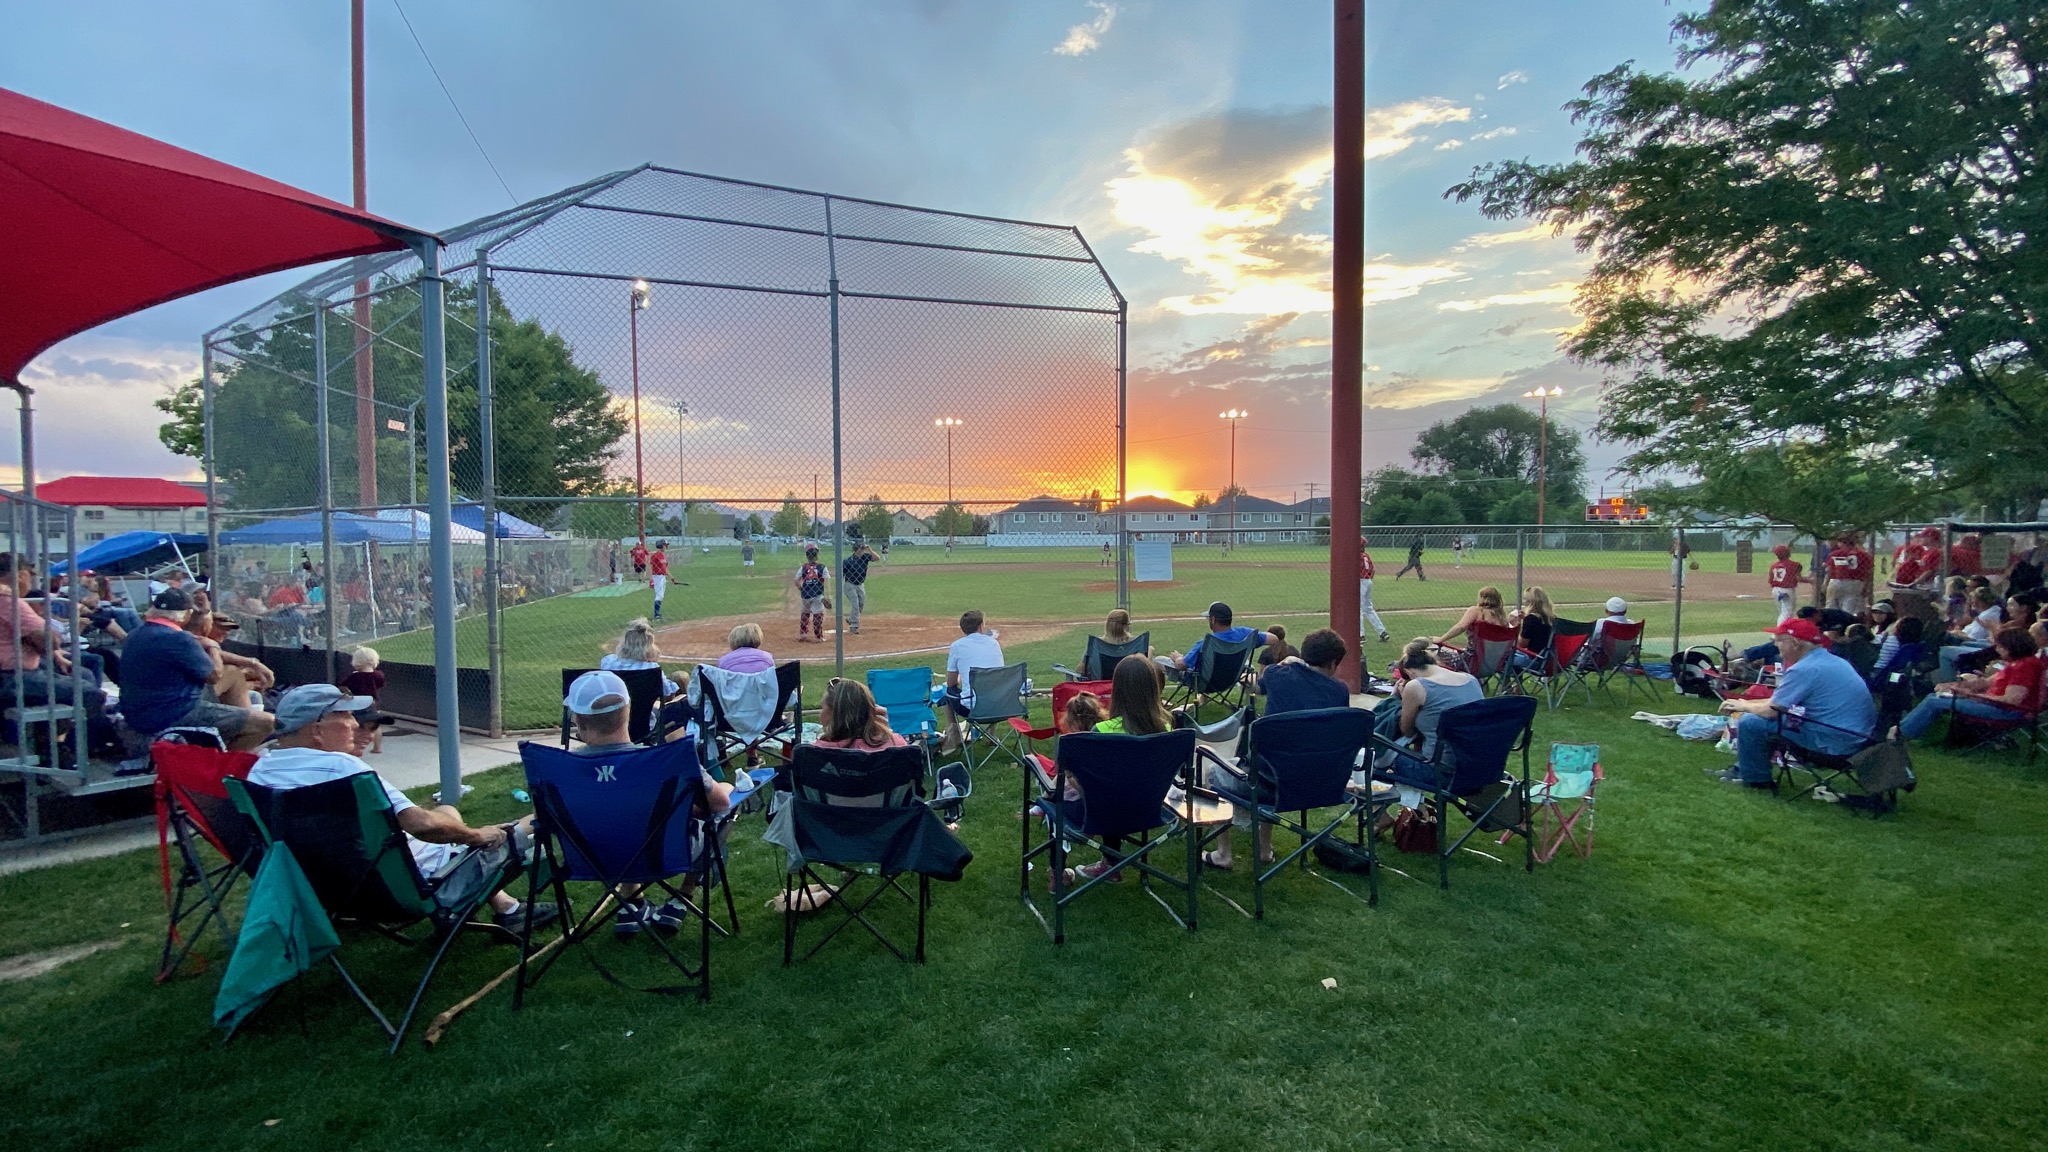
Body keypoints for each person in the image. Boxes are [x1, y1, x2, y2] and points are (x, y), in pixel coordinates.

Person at [248, 684, 554, 932]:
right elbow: (421, 825)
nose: (355, 725)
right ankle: (506, 907)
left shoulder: (259, 773)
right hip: (411, 889)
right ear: (316, 729)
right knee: (530, 821)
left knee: (447, 811)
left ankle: (506, 907)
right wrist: (475, 835)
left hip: (330, 890)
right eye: (345, 716)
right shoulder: (340, 768)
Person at [560, 670, 728, 937]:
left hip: (591, 859)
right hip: (664, 854)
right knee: (727, 805)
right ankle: (682, 896)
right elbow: (719, 804)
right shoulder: (668, 760)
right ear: (629, 710)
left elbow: (545, 818)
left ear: (578, 721)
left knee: (621, 817)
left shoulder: (560, 770)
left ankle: (632, 902)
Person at [1714, 618, 1878, 790]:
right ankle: (1744, 770)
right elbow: (1779, 702)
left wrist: (1743, 706)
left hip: (1833, 741)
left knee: (1751, 722)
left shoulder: (1805, 669)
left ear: (1796, 643)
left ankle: (1756, 781)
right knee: (1764, 718)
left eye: (1779, 640)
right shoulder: (1830, 661)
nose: (1775, 644)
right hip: (1854, 736)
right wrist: (1743, 702)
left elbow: (1772, 710)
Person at [119, 588, 274, 751]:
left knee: (233, 673)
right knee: (267, 722)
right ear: (186, 614)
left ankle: (239, 727)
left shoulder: (137, 634)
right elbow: (214, 675)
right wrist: (213, 646)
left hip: (140, 713)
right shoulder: (178, 638)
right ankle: (224, 763)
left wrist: (252, 663)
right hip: (173, 713)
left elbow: (198, 648)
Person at [1070, 654, 1174, 882]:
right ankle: (1111, 864)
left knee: (1100, 790)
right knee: (1117, 787)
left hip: (1104, 813)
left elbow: (1087, 783)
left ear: (1117, 689)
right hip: (1149, 809)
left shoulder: (1101, 731)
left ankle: (1108, 864)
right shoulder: (1165, 730)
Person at [1373, 638, 1485, 813]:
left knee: (1374, 761)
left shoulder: (1417, 687)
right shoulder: (1470, 680)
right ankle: (1416, 811)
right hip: (1479, 767)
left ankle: (1389, 816)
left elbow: (1406, 730)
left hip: (1441, 772)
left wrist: (1399, 697)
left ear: (1410, 671)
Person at [1895, 625, 2043, 742]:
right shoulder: (2015, 664)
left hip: (2007, 712)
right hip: (1993, 704)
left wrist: (1973, 696)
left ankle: (1900, 734)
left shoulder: (2025, 667)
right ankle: (1904, 730)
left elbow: (2012, 700)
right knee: (1938, 696)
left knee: (1934, 702)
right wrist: (1955, 685)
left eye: (2000, 647)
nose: (1997, 650)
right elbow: (1985, 683)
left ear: (2011, 647)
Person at [0, 553, 105, 717]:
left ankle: (58, 735)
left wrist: (55, 655)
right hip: (10, 678)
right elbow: (48, 642)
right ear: (21, 575)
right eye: (29, 575)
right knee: (89, 693)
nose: (31, 581)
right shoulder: (8, 601)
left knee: (83, 674)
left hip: (14, 670)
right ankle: (92, 740)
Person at [1160, 601, 1270, 676]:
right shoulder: (1245, 634)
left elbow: (1182, 665)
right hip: (1232, 679)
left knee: (1157, 661)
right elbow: (1274, 638)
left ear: (1213, 620)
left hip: (1205, 683)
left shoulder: (1206, 643)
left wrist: (1177, 658)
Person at [1258, 627, 1352, 715]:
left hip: (1279, 732)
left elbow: (1257, 684)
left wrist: (1288, 661)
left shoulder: (1274, 675)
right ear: (1332, 664)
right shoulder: (1340, 690)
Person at [943, 609, 1004, 722]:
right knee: (991, 686)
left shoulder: (957, 646)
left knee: (947, 693)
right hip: (1000, 706)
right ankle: (992, 734)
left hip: (972, 708)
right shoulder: (994, 643)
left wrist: (961, 678)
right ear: (980, 626)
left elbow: (951, 683)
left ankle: (954, 735)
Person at [814, 678, 908, 750]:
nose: (820, 714)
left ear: (834, 716)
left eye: (823, 708)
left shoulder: (815, 752)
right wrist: (886, 731)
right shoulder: (897, 744)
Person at [1937, 587, 2005, 681]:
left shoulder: (1989, 615)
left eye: (1972, 600)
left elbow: (1975, 637)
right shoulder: (1984, 613)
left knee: (1944, 649)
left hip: (1984, 646)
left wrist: (1959, 634)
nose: (1970, 602)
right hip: (1974, 641)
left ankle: (1948, 683)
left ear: (1979, 601)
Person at [602, 618, 681, 697]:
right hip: (645, 708)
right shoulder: (652, 668)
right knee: (680, 677)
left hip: (617, 706)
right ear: (648, 646)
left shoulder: (608, 661)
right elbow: (668, 693)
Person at [340, 647, 387, 754]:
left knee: (356, 725)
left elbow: (343, 686)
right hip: (373, 703)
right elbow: (381, 684)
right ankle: (377, 747)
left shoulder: (354, 676)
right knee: (374, 725)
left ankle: (352, 745)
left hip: (357, 704)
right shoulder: (378, 675)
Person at [1432, 586, 1509, 651]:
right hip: (1497, 662)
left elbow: (1460, 627)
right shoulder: (1501, 617)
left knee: (1433, 650)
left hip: (1472, 660)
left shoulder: (1476, 611)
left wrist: (1441, 639)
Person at [1824, 532, 1873, 615]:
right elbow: (1868, 573)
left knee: (1831, 607)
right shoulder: (1863, 555)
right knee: (1849, 609)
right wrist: (1865, 587)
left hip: (1836, 581)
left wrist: (1825, 584)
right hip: (1854, 582)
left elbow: (1829, 571)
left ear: (1842, 543)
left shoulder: (1835, 554)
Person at [1509, 586, 1556, 672]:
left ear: (1531, 602)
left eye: (1525, 600)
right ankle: (1516, 684)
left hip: (1535, 660)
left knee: (1505, 657)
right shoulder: (1552, 618)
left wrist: (1515, 626)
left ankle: (1508, 684)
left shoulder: (1531, 619)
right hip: (1552, 661)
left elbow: (1521, 644)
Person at [1357, 536, 1389, 643]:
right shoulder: (1366, 555)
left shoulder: (1356, 556)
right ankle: (1382, 632)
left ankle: (1360, 635)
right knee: (1368, 608)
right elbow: (1373, 571)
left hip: (1361, 581)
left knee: (1358, 609)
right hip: (1368, 581)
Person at [840, 541, 876, 635]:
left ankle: (851, 619)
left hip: (860, 585)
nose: (863, 550)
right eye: (861, 549)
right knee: (855, 603)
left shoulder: (865, 557)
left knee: (861, 603)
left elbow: (877, 558)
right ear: (856, 550)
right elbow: (842, 575)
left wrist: (870, 549)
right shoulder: (848, 561)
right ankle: (854, 626)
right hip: (849, 585)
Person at [794, 545, 828, 643]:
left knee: (805, 613)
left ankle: (803, 634)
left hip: (805, 595)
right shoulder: (822, 567)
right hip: (817, 594)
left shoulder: (803, 567)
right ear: (817, 555)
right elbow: (827, 581)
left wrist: (802, 588)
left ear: (807, 556)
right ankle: (818, 636)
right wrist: (827, 596)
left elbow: (796, 581)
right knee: (817, 615)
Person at [1767, 544, 1805, 626]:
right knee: (1786, 613)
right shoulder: (1795, 564)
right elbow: (1798, 578)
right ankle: (1779, 633)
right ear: (1788, 553)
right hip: (1787, 590)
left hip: (1775, 589)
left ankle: (1785, 631)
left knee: (1782, 612)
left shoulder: (1773, 566)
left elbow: (1770, 580)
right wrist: (1810, 581)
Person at [648, 541, 671, 621]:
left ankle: (657, 614)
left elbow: (665, 568)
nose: (666, 547)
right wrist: (651, 579)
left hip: (662, 576)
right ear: (661, 546)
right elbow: (650, 566)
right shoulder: (655, 555)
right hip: (657, 576)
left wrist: (671, 577)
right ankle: (656, 615)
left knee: (661, 595)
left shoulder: (663, 556)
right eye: (665, 545)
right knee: (659, 595)